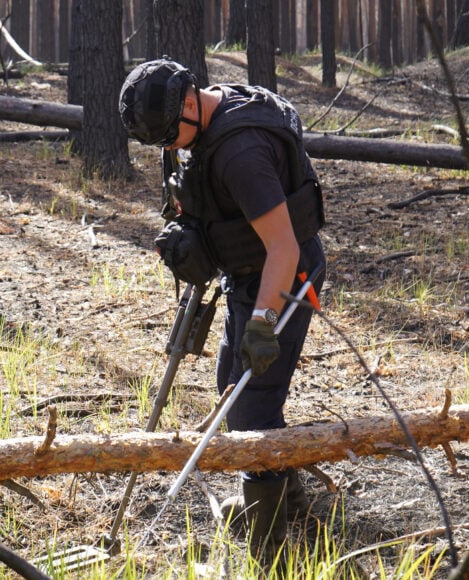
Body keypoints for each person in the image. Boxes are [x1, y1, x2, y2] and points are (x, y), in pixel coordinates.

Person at [118, 57, 327, 568]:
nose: (167, 146)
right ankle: (287, 503)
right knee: (230, 385)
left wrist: (262, 324)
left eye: (170, 135)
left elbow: (284, 248)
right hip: (245, 269)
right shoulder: (195, 127)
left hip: (287, 277)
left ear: (190, 102)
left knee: (252, 405)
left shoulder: (241, 155)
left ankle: (271, 554)